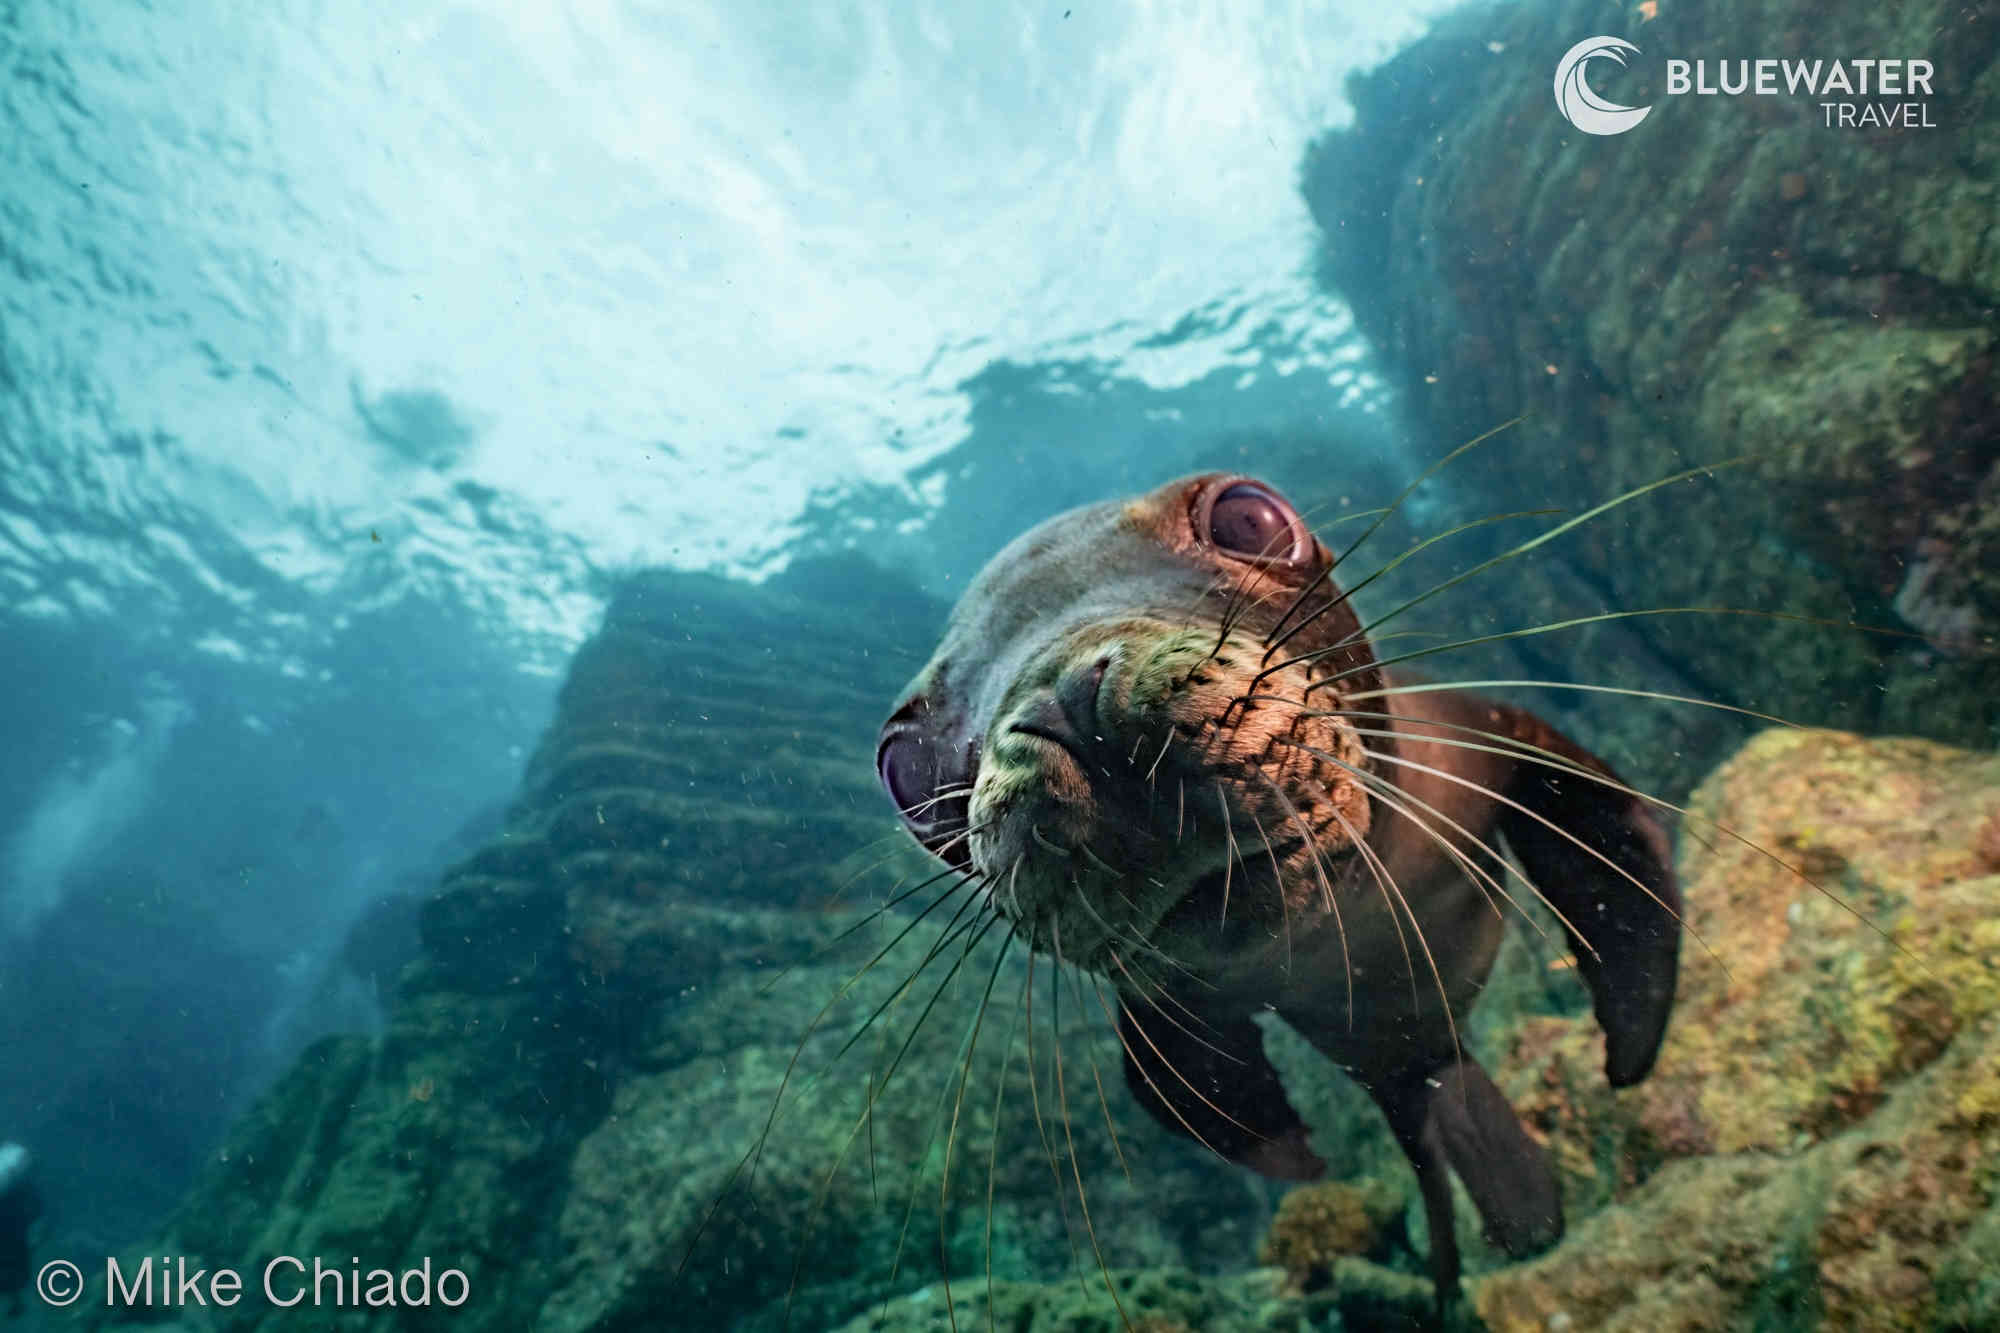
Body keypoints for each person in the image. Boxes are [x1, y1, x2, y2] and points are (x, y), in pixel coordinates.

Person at [0, 1142, 40, 1316]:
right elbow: (36, 1209)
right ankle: (15, 1301)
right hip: (15, 1229)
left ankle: (15, 1300)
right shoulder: (20, 1184)